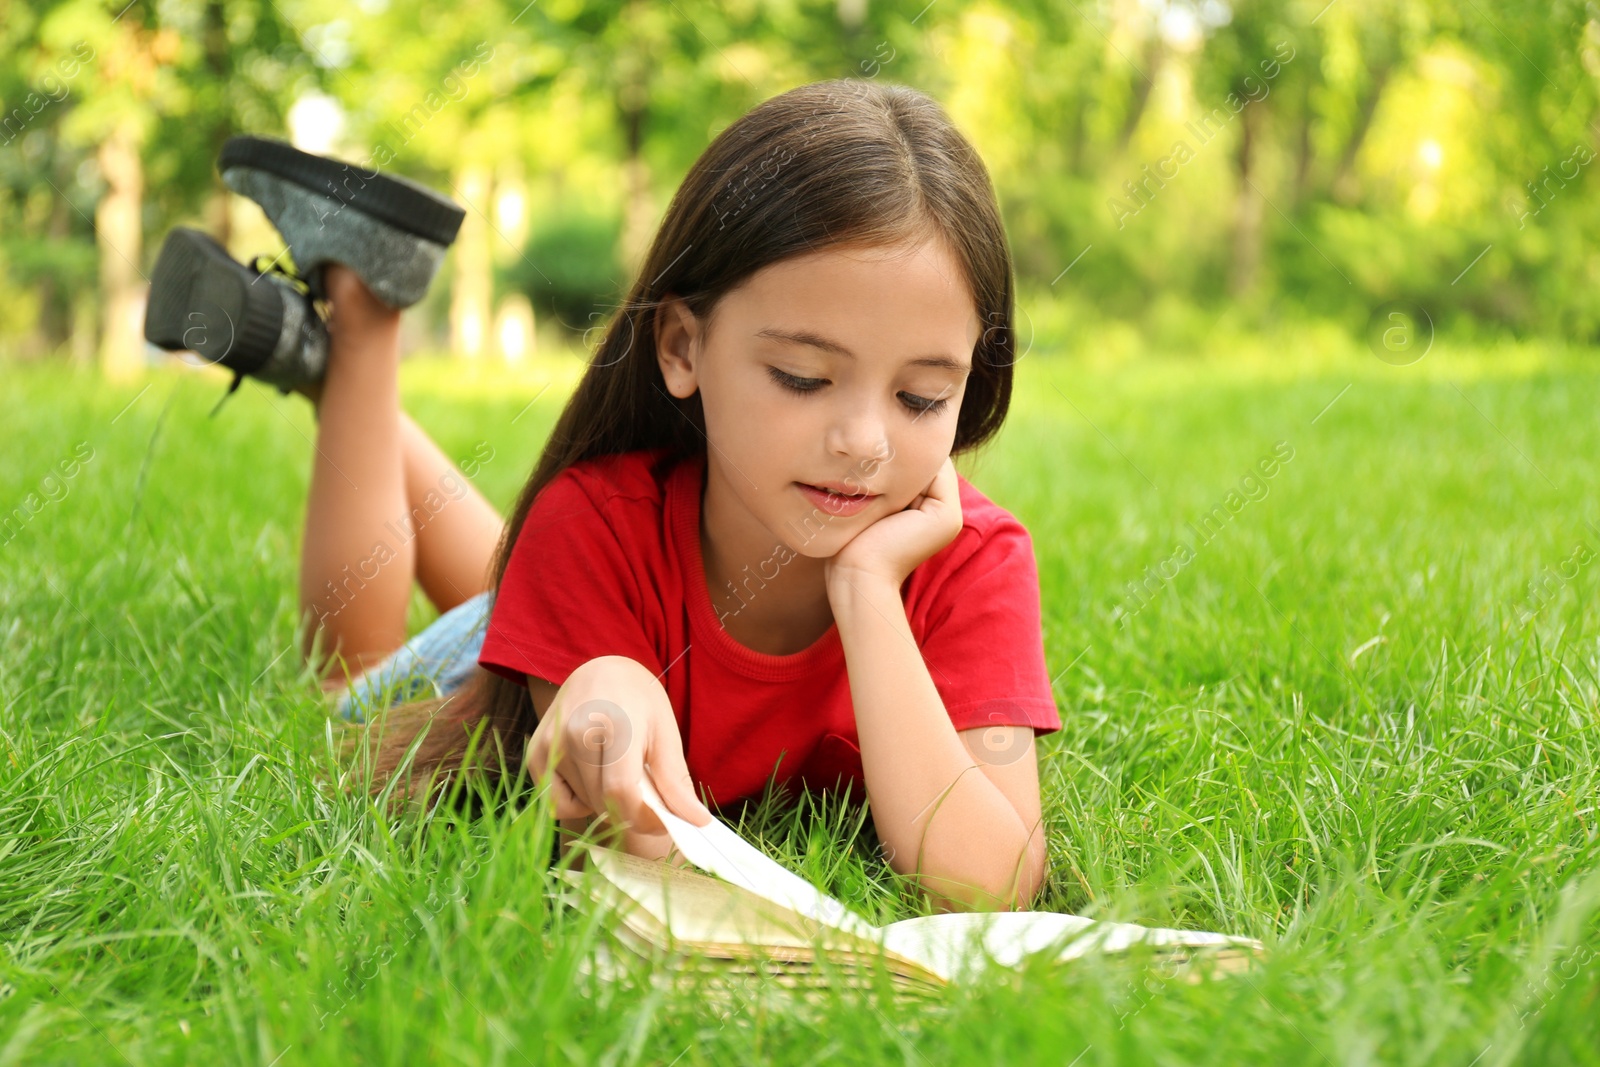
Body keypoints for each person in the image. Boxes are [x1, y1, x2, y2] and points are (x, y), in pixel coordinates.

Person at [145, 78, 1061, 912]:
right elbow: (617, 732)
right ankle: (365, 326)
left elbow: (989, 880)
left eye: (919, 397)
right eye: (801, 376)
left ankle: (327, 365)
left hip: (584, 581)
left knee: (524, 569)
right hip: (526, 627)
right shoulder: (591, 524)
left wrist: (865, 589)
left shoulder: (970, 556)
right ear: (680, 348)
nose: (863, 442)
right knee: (350, 676)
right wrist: (601, 695)